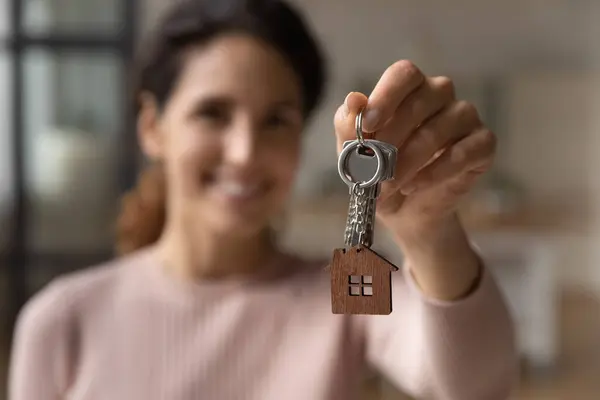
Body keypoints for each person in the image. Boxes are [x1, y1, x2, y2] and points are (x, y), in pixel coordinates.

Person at [8, 0, 518, 399]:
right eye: (212, 113)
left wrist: (429, 233)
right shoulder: (61, 320)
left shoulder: (344, 299)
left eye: (276, 120)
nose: (245, 153)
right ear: (152, 127)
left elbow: (477, 385)